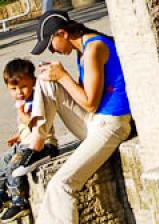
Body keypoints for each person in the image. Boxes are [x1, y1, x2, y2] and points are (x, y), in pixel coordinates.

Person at [14, 11, 132, 224]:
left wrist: (63, 76)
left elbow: (90, 103)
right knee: (44, 81)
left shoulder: (95, 48)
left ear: (62, 33)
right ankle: (38, 146)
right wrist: (55, 78)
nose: (52, 50)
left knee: (61, 184)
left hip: (112, 125)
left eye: (51, 44)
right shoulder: (83, 50)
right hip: (95, 121)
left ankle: (38, 147)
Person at [0, 59, 58, 223]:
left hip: (44, 146)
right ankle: (4, 195)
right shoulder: (23, 101)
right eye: (13, 88)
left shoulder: (36, 100)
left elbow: (33, 123)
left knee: (14, 166)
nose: (19, 92)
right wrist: (18, 136)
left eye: (23, 87)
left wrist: (20, 112)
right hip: (26, 143)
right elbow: (27, 129)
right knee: (3, 162)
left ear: (33, 82)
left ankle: (20, 202)